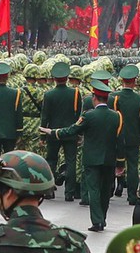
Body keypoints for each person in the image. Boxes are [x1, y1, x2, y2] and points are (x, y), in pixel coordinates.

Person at [53, 76, 124, 232]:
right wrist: (120, 163)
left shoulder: (88, 116)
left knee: (94, 190)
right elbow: (121, 141)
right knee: (106, 190)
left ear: (94, 98)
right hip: (109, 158)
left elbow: (71, 130)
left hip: (91, 159)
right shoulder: (116, 116)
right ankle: (102, 218)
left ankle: (97, 221)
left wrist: (54, 132)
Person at [41, 61, 83, 201]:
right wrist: (78, 133)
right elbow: (79, 115)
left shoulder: (49, 95)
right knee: (71, 162)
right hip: (70, 132)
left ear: (53, 78)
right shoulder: (75, 93)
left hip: (53, 132)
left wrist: (43, 135)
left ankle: (49, 191)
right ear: (67, 78)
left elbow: (45, 116)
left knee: (51, 160)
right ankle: (69, 193)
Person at [113, 65, 140, 205]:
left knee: (114, 163)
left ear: (122, 81)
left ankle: (113, 189)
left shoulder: (114, 97)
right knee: (133, 167)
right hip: (133, 137)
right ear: (134, 81)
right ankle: (132, 196)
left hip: (117, 137)